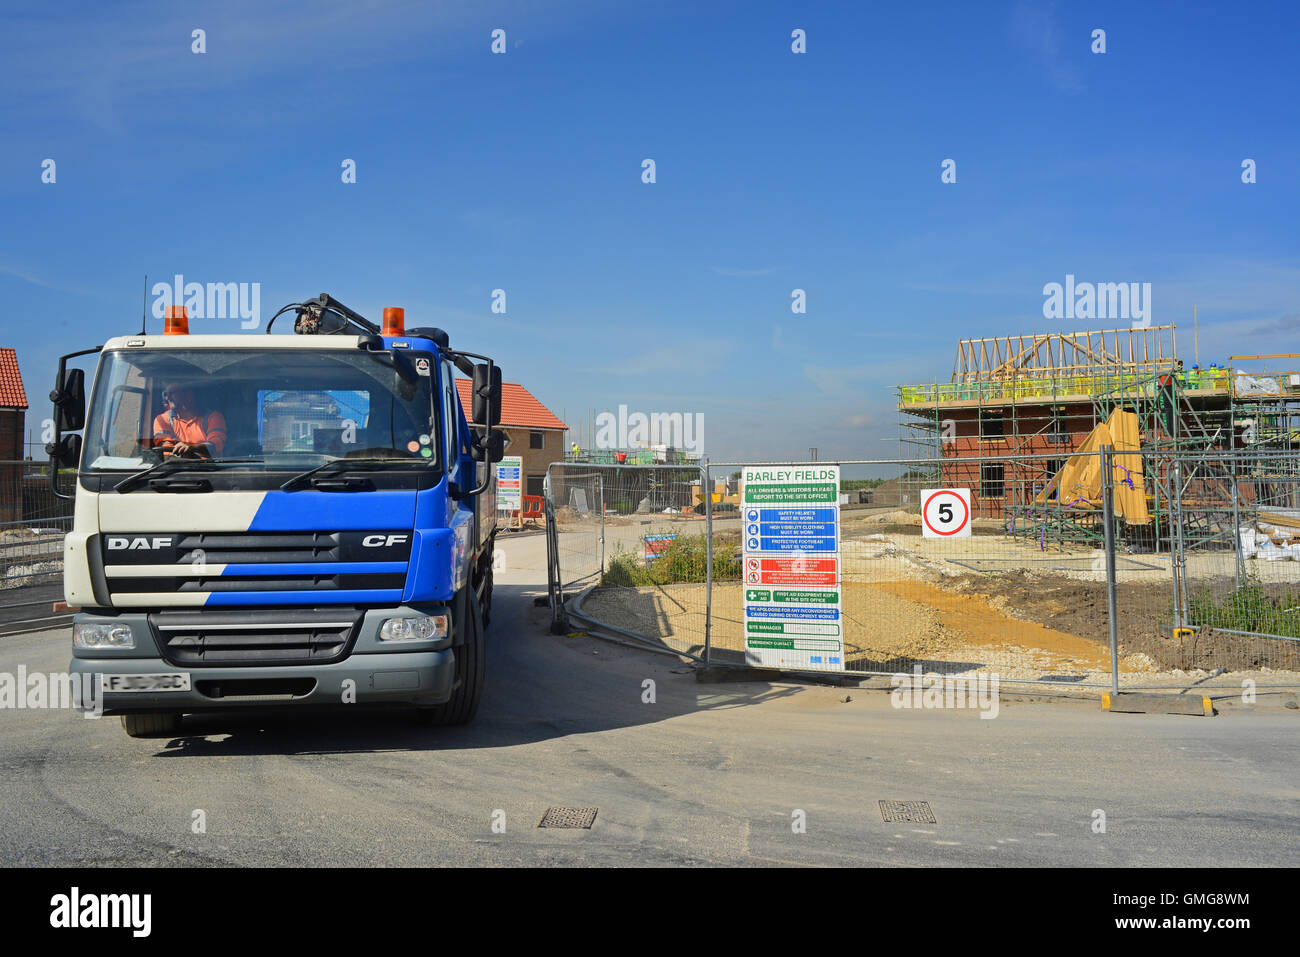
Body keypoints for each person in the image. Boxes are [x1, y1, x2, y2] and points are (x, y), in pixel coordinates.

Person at [152, 383, 228, 458]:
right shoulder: (162, 420)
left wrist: (192, 448)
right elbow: (165, 448)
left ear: (189, 394)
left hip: (211, 468)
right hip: (176, 468)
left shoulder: (213, 417)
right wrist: (186, 450)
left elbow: (216, 444)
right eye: (166, 394)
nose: (168, 398)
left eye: (172, 393)